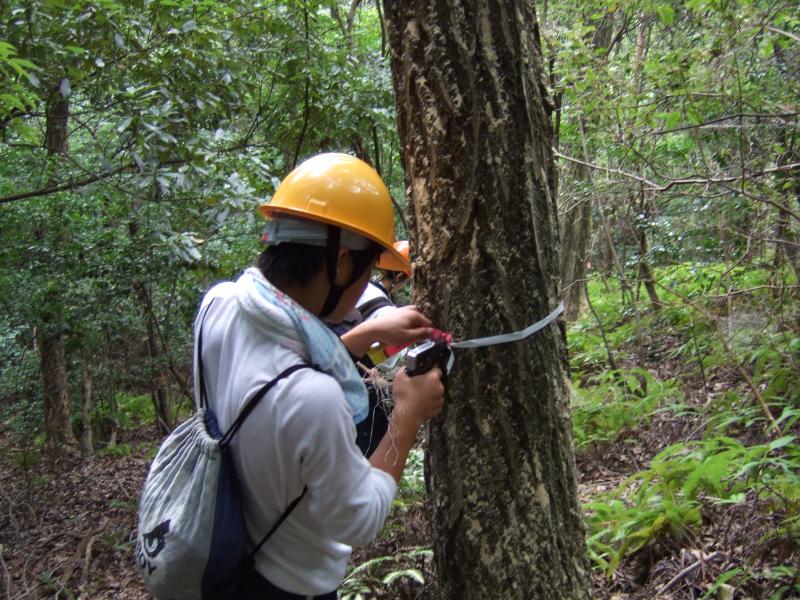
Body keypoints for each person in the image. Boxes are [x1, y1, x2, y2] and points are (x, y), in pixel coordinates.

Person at [194, 153, 444, 599]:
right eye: (368, 272)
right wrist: (406, 418)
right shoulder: (316, 400)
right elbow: (360, 518)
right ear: (342, 263)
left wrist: (364, 332)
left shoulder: (220, 305)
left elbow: (274, 374)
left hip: (223, 547)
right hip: (287, 586)